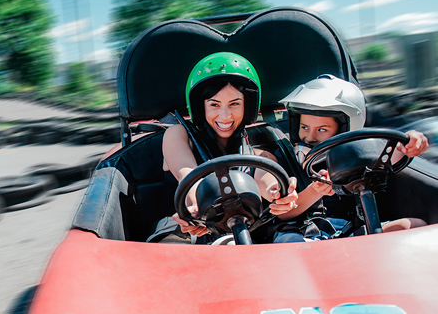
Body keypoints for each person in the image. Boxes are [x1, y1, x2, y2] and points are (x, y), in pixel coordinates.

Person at [155, 51, 298, 243]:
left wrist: (280, 194)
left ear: (247, 106)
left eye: (234, 104)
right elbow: (187, 176)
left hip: (240, 231)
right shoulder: (178, 134)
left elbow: (267, 179)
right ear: (200, 107)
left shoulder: (256, 152)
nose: (225, 116)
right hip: (182, 228)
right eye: (214, 104)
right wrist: (194, 209)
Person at [271, 74, 429, 242]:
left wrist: (412, 140)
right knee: (292, 241)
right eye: (304, 127)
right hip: (298, 234)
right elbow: (283, 214)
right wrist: (314, 192)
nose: (310, 137)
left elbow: (393, 154)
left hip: (349, 234)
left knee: (415, 225)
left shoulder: (359, 154)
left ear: (345, 129)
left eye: (322, 129)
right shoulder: (285, 157)